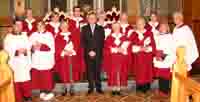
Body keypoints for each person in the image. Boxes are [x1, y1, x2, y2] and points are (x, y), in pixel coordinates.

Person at [4, 19, 32, 102]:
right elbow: (7, 50)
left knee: (25, 80)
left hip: (24, 61)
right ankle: (18, 97)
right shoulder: (8, 37)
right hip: (14, 62)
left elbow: (29, 47)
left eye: (20, 25)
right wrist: (16, 51)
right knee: (16, 81)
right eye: (17, 25)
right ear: (13, 26)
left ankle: (27, 96)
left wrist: (26, 51)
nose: (19, 27)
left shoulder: (25, 36)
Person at [55, 21, 83, 96]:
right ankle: (64, 88)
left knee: (72, 72)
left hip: (72, 56)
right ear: (60, 27)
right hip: (63, 58)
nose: (64, 27)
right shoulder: (58, 36)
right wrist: (64, 52)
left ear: (68, 26)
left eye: (66, 25)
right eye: (62, 25)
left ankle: (72, 87)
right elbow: (57, 46)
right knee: (64, 72)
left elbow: (77, 44)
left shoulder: (72, 35)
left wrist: (73, 51)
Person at [129, 17, 156, 94]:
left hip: (147, 57)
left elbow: (153, 45)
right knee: (139, 72)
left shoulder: (149, 33)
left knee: (147, 72)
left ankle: (146, 87)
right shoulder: (133, 34)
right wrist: (139, 48)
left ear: (144, 24)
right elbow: (130, 46)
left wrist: (147, 48)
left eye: (141, 23)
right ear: (136, 25)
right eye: (138, 24)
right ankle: (139, 87)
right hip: (138, 57)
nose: (140, 25)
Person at [29, 22, 55, 101]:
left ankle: (49, 92)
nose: (40, 26)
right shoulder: (33, 35)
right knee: (39, 77)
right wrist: (33, 48)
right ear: (36, 26)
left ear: (44, 26)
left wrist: (41, 46)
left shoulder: (49, 35)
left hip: (46, 59)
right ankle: (42, 91)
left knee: (46, 77)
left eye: (41, 25)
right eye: (38, 25)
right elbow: (29, 46)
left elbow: (51, 47)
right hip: (37, 59)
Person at [81, 12, 105, 94]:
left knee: (97, 71)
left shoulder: (101, 28)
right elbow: (83, 42)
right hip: (88, 54)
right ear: (87, 19)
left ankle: (99, 88)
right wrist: (89, 51)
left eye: (93, 18)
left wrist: (95, 51)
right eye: (90, 18)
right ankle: (91, 88)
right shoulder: (84, 28)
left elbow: (101, 42)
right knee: (89, 71)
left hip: (97, 54)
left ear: (96, 19)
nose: (91, 19)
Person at [104, 22, 130, 95]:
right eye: (114, 27)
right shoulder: (109, 37)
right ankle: (113, 89)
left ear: (120, 27)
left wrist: (123, 49)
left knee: (121, 72)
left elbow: (128, 47)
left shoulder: (124, 37)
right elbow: (106, 49)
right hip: (112, 59)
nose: (116, 28)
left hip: (122, 58)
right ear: (112, 28)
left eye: (117, 27)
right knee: (113, 73)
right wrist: (115, 50)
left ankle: (119, 89)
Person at [153, 23, 176, 96]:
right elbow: (156, 46)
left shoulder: (170, 36)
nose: (162, 28)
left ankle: (165, 91)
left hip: (166, 58)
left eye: (164, 27)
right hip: (159, 57)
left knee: (165, 75)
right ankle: (161, 89)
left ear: (167, 28)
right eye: (161, 27)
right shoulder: (158, 36)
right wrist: (157, 55)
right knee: (160, 75)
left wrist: (163, 56)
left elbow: (172, 48)